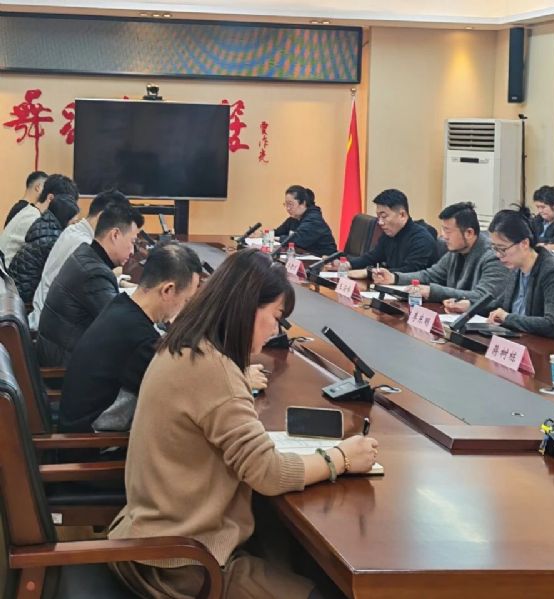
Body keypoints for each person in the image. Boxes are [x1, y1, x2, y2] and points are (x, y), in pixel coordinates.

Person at [107, 250, 379, 598]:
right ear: (248, 308)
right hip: (183, 563)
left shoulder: (187, 344)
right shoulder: (212, 369)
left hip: (150, 539)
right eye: (276, 317)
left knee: (285, 548)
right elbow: (268, 473)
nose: (277, 330)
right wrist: (341, 458)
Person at [59, 242, 203, 434]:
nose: (185, 308)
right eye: (186, 300)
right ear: (167, 290)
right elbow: (178, 390)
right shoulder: (140, 338)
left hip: (78, 427)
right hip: (92, 444)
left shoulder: (121, 306)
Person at [446, 206, 554, 346]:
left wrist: (507, 318)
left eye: (502, 249)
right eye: (494, 248)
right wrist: (469, 305)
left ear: (524, 243)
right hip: (522, 342)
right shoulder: (516, 267)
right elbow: (500, 305)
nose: (498, 255)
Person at [37, 203, 144, 367]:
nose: (132, 252)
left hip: (60, 354)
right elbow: (122, 328)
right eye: (132, 242)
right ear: (115, 234)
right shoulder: (94, 273)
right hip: (65, 369)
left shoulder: (85, 254)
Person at [29, 190, 131, 330]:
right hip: (52, 325)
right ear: (102, 217)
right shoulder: (83, 243)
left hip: (49, 317)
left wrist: (121, 282)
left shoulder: (74, 231)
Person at [372, 201, 508, 305]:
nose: (443, 236)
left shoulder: (493, 256)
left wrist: (432, 291)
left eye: (448, 231)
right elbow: (430, 275)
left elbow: (482, 297)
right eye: (443, 230)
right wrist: (394, 278)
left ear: (469, 233)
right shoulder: (455, 252)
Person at [339, 189, 437, 278]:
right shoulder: (390, 234)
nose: (380, 222)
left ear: (402, 215)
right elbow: (373, 256)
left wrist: (368, 273)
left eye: (384, 216)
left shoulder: (422, 239)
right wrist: (347, 264)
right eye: (378, 217)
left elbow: (410, 271)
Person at [9, 192, 80, 303]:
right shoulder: (53, 240)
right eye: (73, 223)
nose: (75, 227)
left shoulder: (42, 224)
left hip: (14, 292)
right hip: (26, 300)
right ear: (64, 219)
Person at [0, 173, 77, 266]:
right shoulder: (35, 220)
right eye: (66, 206)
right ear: (50, 198)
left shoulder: (30, 211)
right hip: (8, 273)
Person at [273, 185, 337, 256]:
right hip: (304, 256)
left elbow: (298, 239)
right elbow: (278, 232)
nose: (288, 208)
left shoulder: (314, 219)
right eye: (286, 204)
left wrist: (277, 238)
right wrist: (268, 235)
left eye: (290, 204)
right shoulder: (294, 218)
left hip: (325, 259)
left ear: (303, 203)